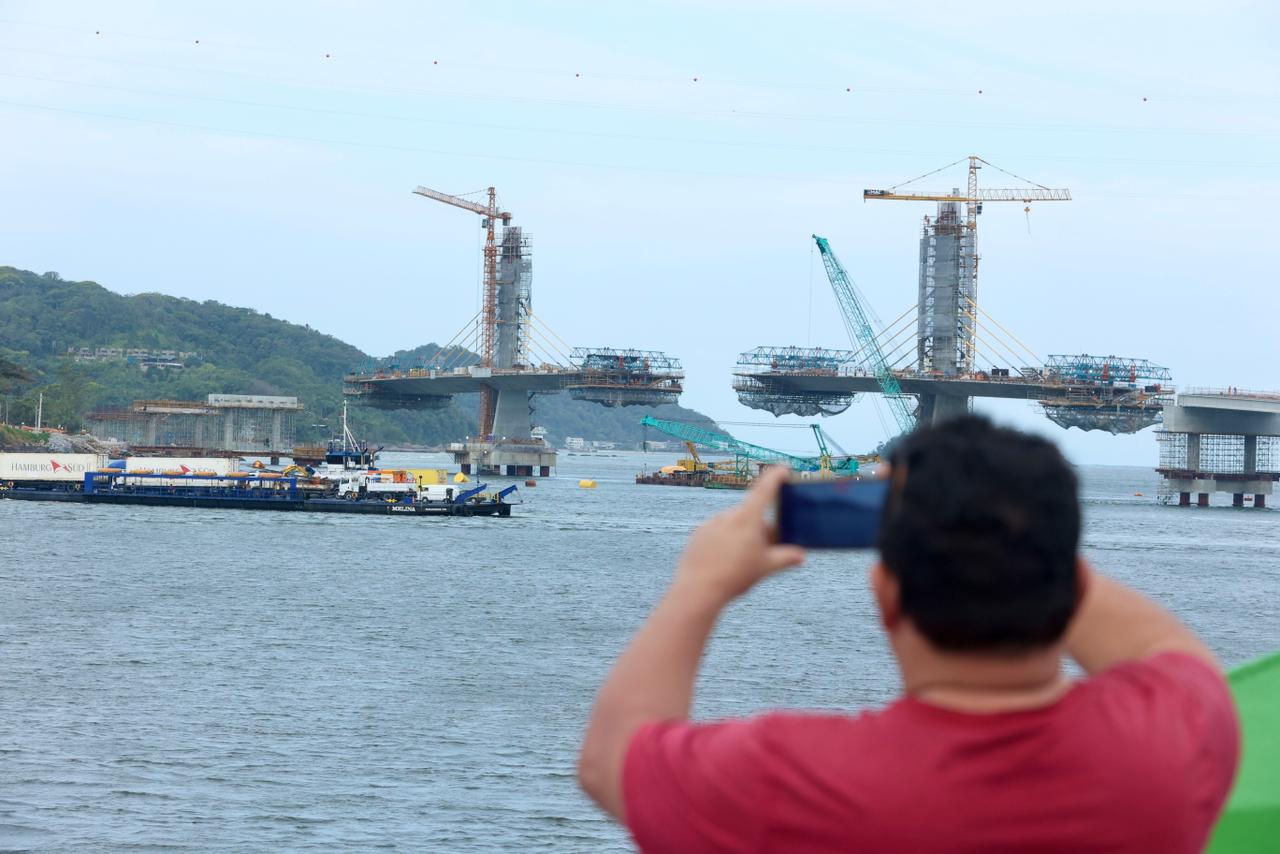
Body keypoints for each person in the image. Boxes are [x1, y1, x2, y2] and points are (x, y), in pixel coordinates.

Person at [578, 416, 1239, 852]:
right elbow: (1166, 650)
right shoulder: (1173, 742)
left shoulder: (792, 779)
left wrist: (700, 584)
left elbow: (611, 762)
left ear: (885, 595)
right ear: (1065, 579)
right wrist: (1005, 522)